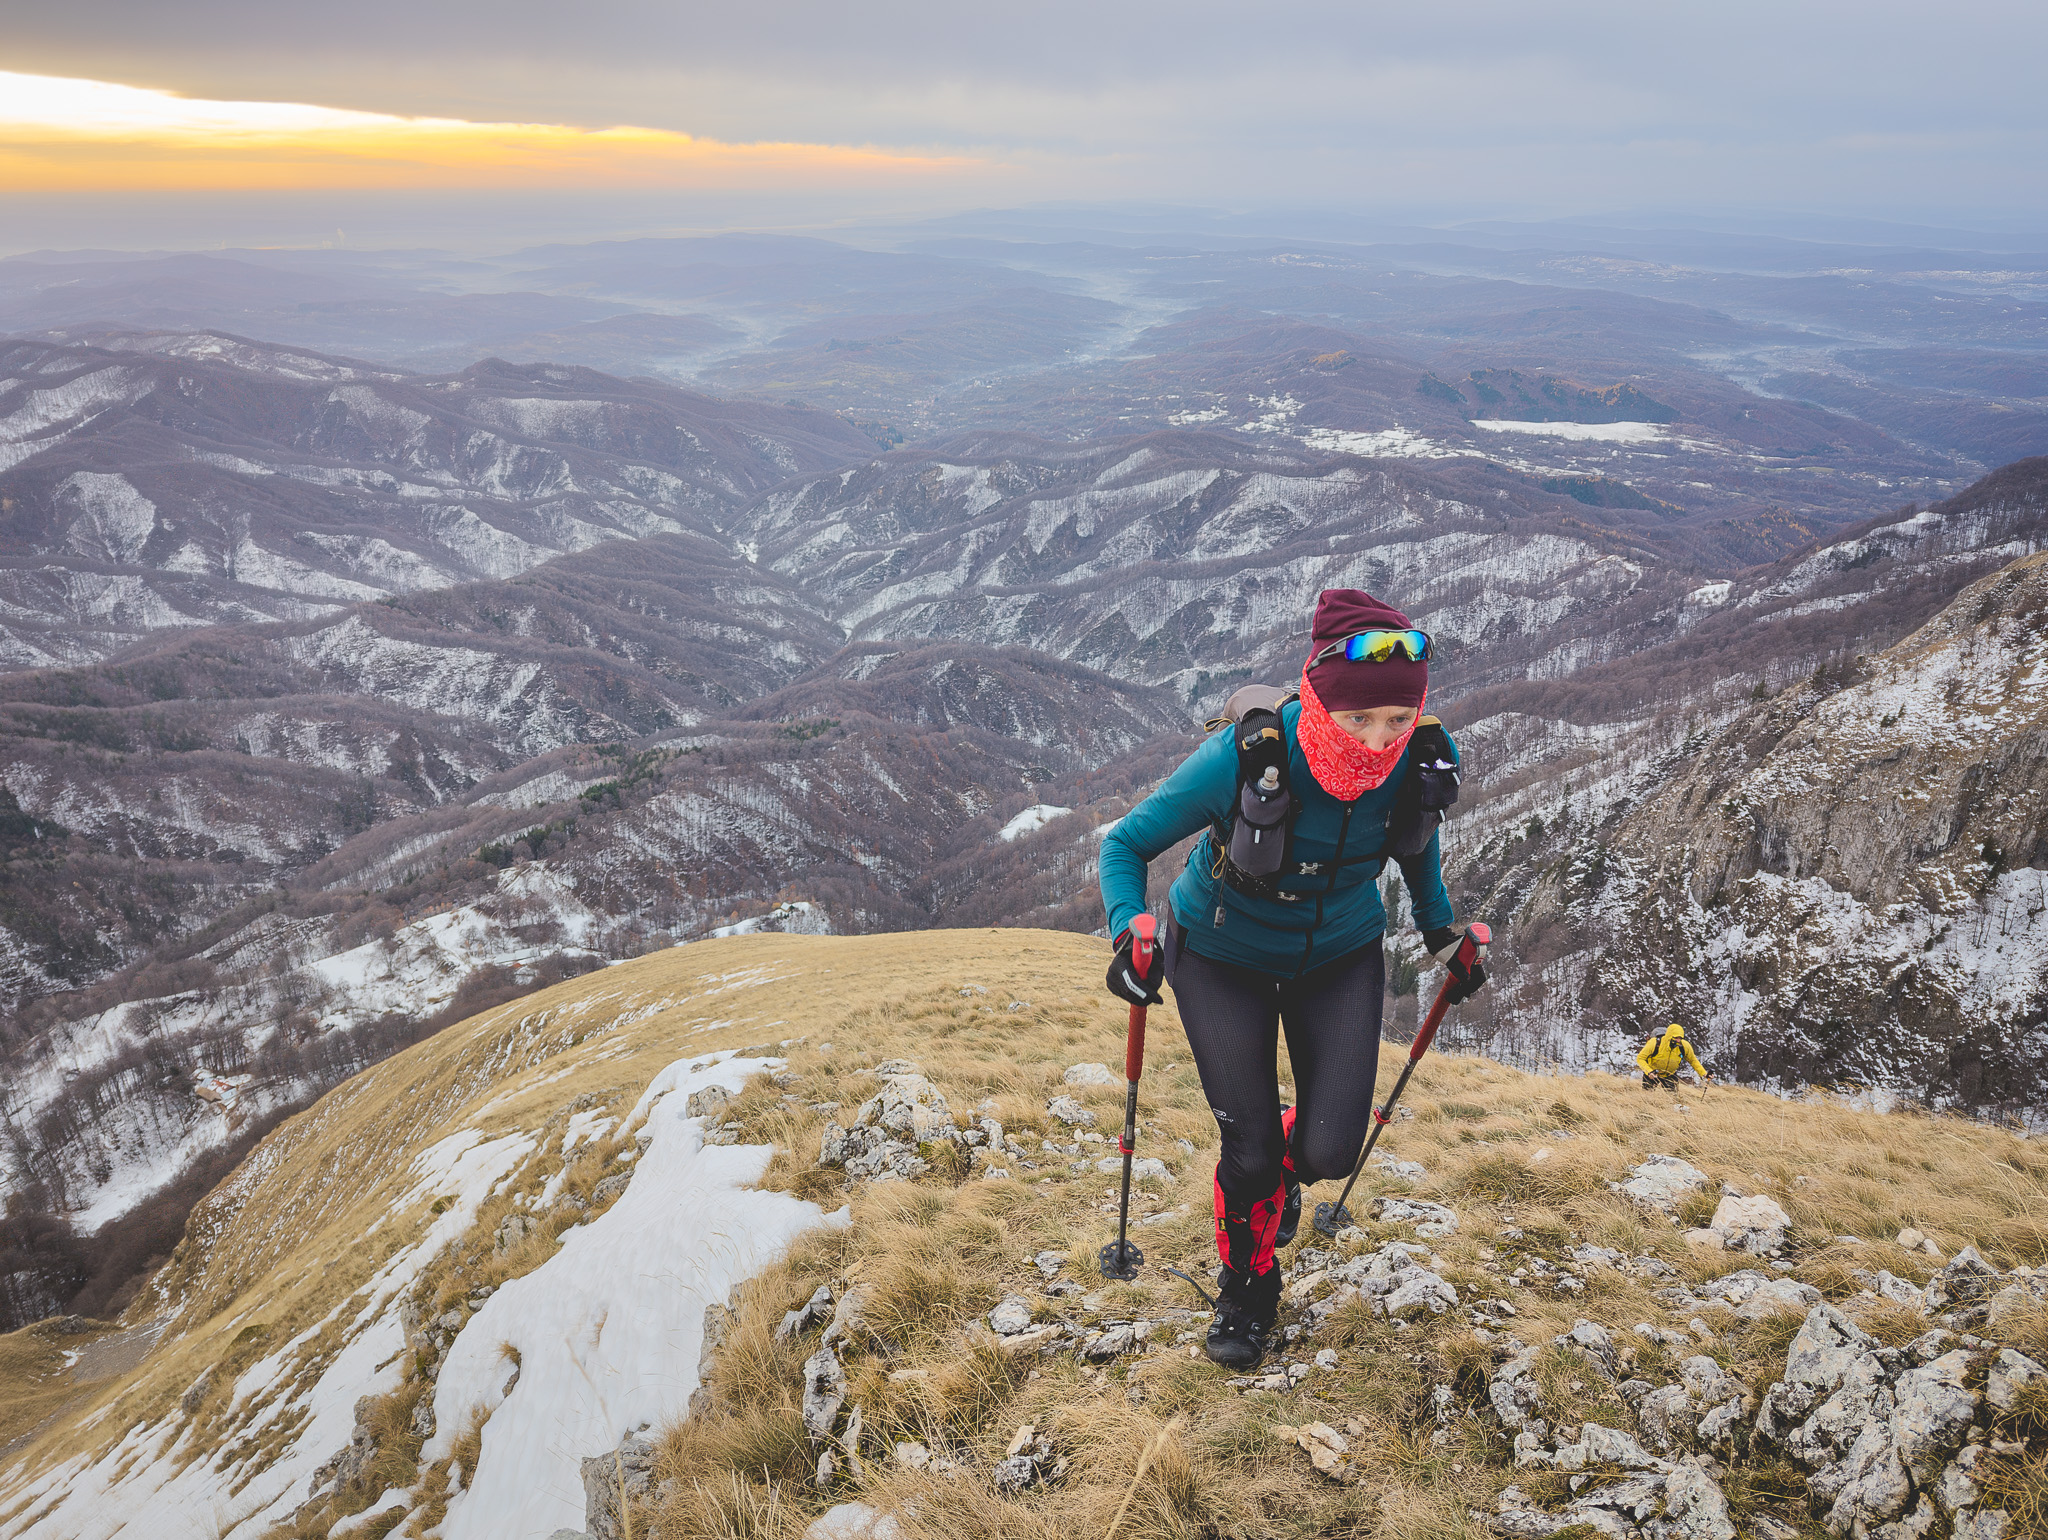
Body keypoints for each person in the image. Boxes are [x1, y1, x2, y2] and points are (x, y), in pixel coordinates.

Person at [1098, 589, 1485, 1370]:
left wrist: (1446, 935)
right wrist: (1128, 928)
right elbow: (1126, 847)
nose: (1378, 741)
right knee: (1246, 1155)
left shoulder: (1413, 762)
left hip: (1338, 956)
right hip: (1219, 953)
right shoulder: (1245, 759)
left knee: (1331, 1149)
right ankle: (1249, 1285)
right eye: (1357, 721)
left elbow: (1417, 854)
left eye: (1397, 722)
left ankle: (1278, 1167)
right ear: (1317, 696)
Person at [1636, 1022, 1712, 1091]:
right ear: (1669, 1036)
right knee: (1647, 1098)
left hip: (1670, 1075)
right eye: (1676, 1038)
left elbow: (1693, 1060)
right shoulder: (1654, 1043)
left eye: (1680, 1038)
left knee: (1673, 1099)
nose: (1678, 1040)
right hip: (1652, 1074)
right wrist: (1649, 1072)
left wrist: (1704, 1073)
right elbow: (1640, 1058)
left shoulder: (1684, 1046)